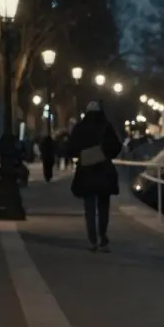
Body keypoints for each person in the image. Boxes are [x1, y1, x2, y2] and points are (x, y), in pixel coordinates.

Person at [68, 102, 122, 252]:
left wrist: (82, 154)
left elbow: (71, 148)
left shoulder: (80, 128)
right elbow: (117, 146)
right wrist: (105, 154)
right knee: (103, 207)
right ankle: (103, 236)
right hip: (104, 170)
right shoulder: (106, 126)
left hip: (86, 170)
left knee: (89, 207)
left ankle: (92, 240)